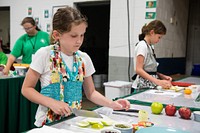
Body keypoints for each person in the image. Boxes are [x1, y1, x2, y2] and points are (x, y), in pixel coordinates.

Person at [21, 6, 130, 127]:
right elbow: (27, 89)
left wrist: (112, 104)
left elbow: (91, 93)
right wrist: (51, 103)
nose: (79, 41)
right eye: (74, 36)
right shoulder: (45, 54)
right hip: (47, 123)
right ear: (56, 35)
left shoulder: (84, 59)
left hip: (74, 122)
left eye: (82, 35)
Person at [132, 20, 172, 91]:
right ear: (152, 32)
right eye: (159, 37)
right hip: (141, 87)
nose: (159, 40)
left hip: (150, 86)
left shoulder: (150, 47)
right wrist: (157, 81)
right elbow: (138, 70)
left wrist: (161, 76)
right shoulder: (142, 46)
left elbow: (148, 69)